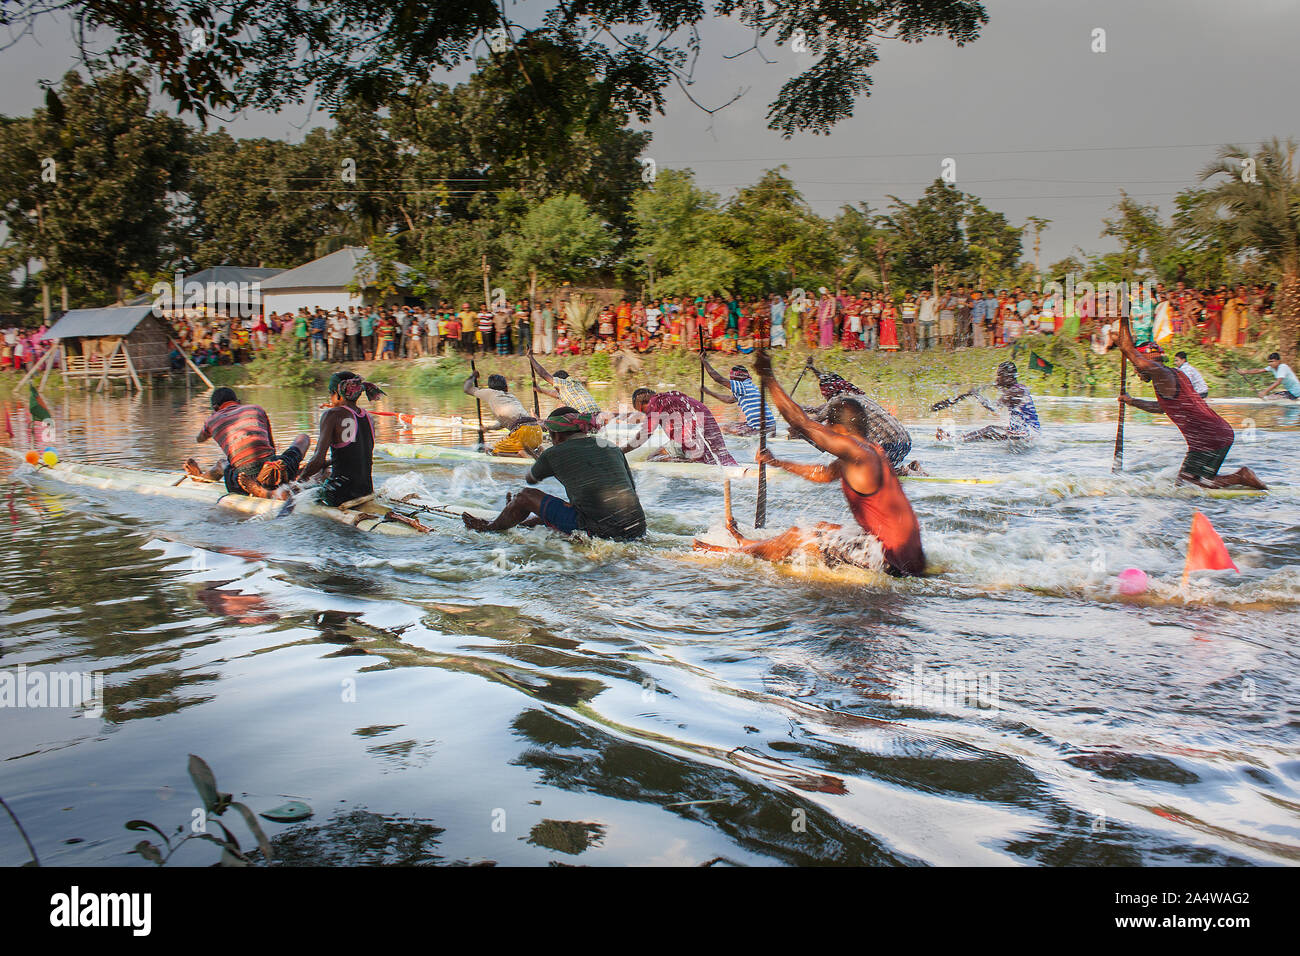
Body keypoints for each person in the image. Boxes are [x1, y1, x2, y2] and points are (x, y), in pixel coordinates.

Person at [695, 350, 926, 577]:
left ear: (838, 431)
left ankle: (732, 554)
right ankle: (752, 545)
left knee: (798, 535)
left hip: (889, 561)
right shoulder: (868, 453)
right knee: (824, 526)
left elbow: (801, 422)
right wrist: (778, 462)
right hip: (907, 559)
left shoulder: (857, 452)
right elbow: (823, 474)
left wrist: (769, 377)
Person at [1116, 325, 1266, 489]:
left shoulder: (1160, 372)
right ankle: (1240, 478)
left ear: (1146, 362)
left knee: (1186, 486)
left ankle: (1241, 477)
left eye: (1137, 369)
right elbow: (1160, 408)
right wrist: (1132, 401)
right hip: (1214, 435)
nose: (1137, 373)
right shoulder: (1169, 375)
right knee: (1197, 483)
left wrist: (1124, 320)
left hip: (1208, 438)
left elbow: (1130, 351)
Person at [462, 408, 646, 540]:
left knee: (525, 496)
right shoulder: (612, 448)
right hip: (637, 528)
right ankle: (519, 525)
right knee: (557, 509)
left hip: (600, 531)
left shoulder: (553, 453)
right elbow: (632, 488)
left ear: (556, 435)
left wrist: (542, 459)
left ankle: (489, 528)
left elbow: (531, 479)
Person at [185, 387, 309, 498]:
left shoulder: (212, 420)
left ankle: (201, 478)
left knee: (222, 464)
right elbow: (271, 447)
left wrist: (213, 420)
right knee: (303, 438)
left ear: (215, 408)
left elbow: (199, 439)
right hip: (274, 469)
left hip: (242, 480)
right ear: (238, 402)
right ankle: (281, 478)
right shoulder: (256, 409)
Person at [797, 368, 921, 474]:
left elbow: (813, 421)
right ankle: (908, 469)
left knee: (860, 472)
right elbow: (818, 408)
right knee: (881, 469)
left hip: (886, 445)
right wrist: (813, 370)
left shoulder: (838, 401)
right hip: (905, 442)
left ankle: (906, 472)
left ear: (828, 392)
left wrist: (797, 428)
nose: (823, 397)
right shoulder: (858, 397)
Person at [296, 371, 385, 505]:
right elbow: (356, 454)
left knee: (307, 489)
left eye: (330, 394)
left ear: (337, 394)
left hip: (340, 494)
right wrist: (327, 463)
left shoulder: (332, 415)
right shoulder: (368, 417)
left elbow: (317, 459)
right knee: (323, 473)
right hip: (366, 490)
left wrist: (298, 481)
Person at [623, 387, 739, 466]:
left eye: (643, 411)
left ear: (643, 403)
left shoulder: (654, 403)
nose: (646, 414)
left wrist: (620, 451)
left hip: (692, 438)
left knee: (652, 458)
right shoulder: (674, 396)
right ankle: (693, 458)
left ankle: (689, 461)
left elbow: (643, 436)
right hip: (710, 432)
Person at [935, 361, 1041, 444]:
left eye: (999, 376)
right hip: (1026, 431)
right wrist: (999, 385)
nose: (997, 379)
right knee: (989, 430)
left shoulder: (1015, 391)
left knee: (989, 430)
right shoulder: (1017, 389)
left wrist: (976, 395)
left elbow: (993, 407)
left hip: (1028, 433)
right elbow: (1005, 396)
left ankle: (955, 440)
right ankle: (957, 438)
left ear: (1008, 377)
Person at [463, 371, 544, 457]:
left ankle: (520, 454)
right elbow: (505, 423)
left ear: (490, 388)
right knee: (528, 447)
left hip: (523, 433)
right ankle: (538, 451)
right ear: (506, 388)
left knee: (490, 450)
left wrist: (473, 376)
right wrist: (488, 428)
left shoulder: (490, 393)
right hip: (537, 433)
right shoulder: (511, 397)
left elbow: (467, 389)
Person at [699, 355, 776, 435]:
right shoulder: (750, 387)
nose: (732, 381)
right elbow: (728, 399)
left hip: (761, 428)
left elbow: (718, 379)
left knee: (726, 429)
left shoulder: (742, 386)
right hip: (771, 426)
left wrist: (704, 361)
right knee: (732, 425)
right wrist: (709, 392)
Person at [527, 353, 602, 416]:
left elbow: (543, 374)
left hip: (585, 416)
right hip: (598, 415)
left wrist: (531, 357)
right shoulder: (575, 385)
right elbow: (557, 394)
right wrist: (541, 390)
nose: (555, 389)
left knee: (560, 411)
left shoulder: (563, 384)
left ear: (559, 381)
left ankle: (540, 422)